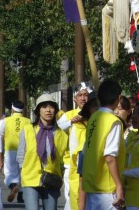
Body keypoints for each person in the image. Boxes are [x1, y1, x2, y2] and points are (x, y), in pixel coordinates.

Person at [17, 93, 68, 210]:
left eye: (51, 106)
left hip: (51, 180)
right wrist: (23, 174)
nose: (48, 110)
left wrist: (60, 175)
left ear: (55, 110)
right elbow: (20, 156)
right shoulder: (27, 130)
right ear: (38, 110)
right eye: (44, 106)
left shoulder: (62, 134)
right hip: (30, 178)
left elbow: (63, 159)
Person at [81, 79, 125, 210]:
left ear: (98, 98)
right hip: (106, 186)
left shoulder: (93, 117)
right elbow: (110, 157)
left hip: (91, 183)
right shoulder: (114, 121)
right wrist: (119, 185)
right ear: (118, 99)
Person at [57, 81, 94, 210]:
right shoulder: (69, 115)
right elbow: (59, 127)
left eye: (85, 95)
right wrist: (71, 122)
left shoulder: (94, 114)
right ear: (75, 98)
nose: (83, 98)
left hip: (91, 163)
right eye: (80, 95)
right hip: (71, 163)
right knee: (72, 195)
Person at [0, 100, 31, 203]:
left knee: (9, 172)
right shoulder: (28, 121)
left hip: (10, 150)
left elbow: (0, 134)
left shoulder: (5, 121)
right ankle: (20, 197)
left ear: (12, 109)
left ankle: (13, 186)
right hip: (25, 150)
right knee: (22, 173)